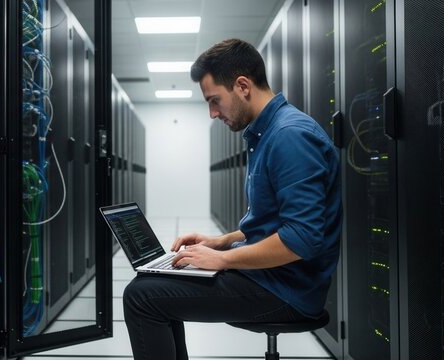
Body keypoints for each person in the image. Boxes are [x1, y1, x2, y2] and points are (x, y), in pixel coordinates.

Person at [122, 38, 342, 360]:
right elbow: (275, 220)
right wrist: (222, 242)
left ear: (242, 86)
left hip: (286, 289)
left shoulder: (289, 136)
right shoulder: (267, 133)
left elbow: (303, 239)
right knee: (158, 283)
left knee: (141, 297)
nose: (212, 113)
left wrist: (223, 261)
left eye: (214, 100)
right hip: (274, 277)